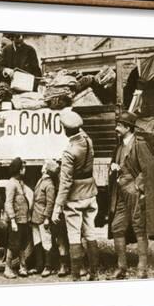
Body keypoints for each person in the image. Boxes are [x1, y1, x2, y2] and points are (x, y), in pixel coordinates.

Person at [108, 111, 154, 279]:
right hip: (121, 192)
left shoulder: (139, 144)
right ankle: (121, 268)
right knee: (117, 226)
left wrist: (138, 187)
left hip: (134, 191)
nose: (116, 128)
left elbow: (149, 169)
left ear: (128, 128)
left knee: (139, 227)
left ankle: (142, 268)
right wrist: (114, 168)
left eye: (119, 126)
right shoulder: (120, 145)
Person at [51, 110, 100, 281]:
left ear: (66, 129)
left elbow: (65, 183)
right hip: (90, 192)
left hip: (75, 198)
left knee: (74, 236)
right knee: (91, 234)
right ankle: (94, 274)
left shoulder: (69, 152)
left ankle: (75, 278)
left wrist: (57, 208)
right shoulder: (88, 140)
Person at [32, 160, 70, 278]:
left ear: (46, 170)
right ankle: (39, 265)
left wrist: (47, 218)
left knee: (46, 241)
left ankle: (48, 266)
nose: (42, 166)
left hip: (42, 217)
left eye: (44, 165)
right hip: (36, 216)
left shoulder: (48, 184)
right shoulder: (42, 180)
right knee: (37, 241)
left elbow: (50, 203)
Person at [4, 157, 33, 278]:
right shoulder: (11, 183)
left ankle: (22, 267)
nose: (25, 170)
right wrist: (12, 220)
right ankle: (7, 269)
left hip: (23, 220)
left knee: (22, 244)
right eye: (23, 167)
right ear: (19, 169)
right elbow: (8, 203)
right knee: (13, 245)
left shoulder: (20, 183)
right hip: (16, 221)